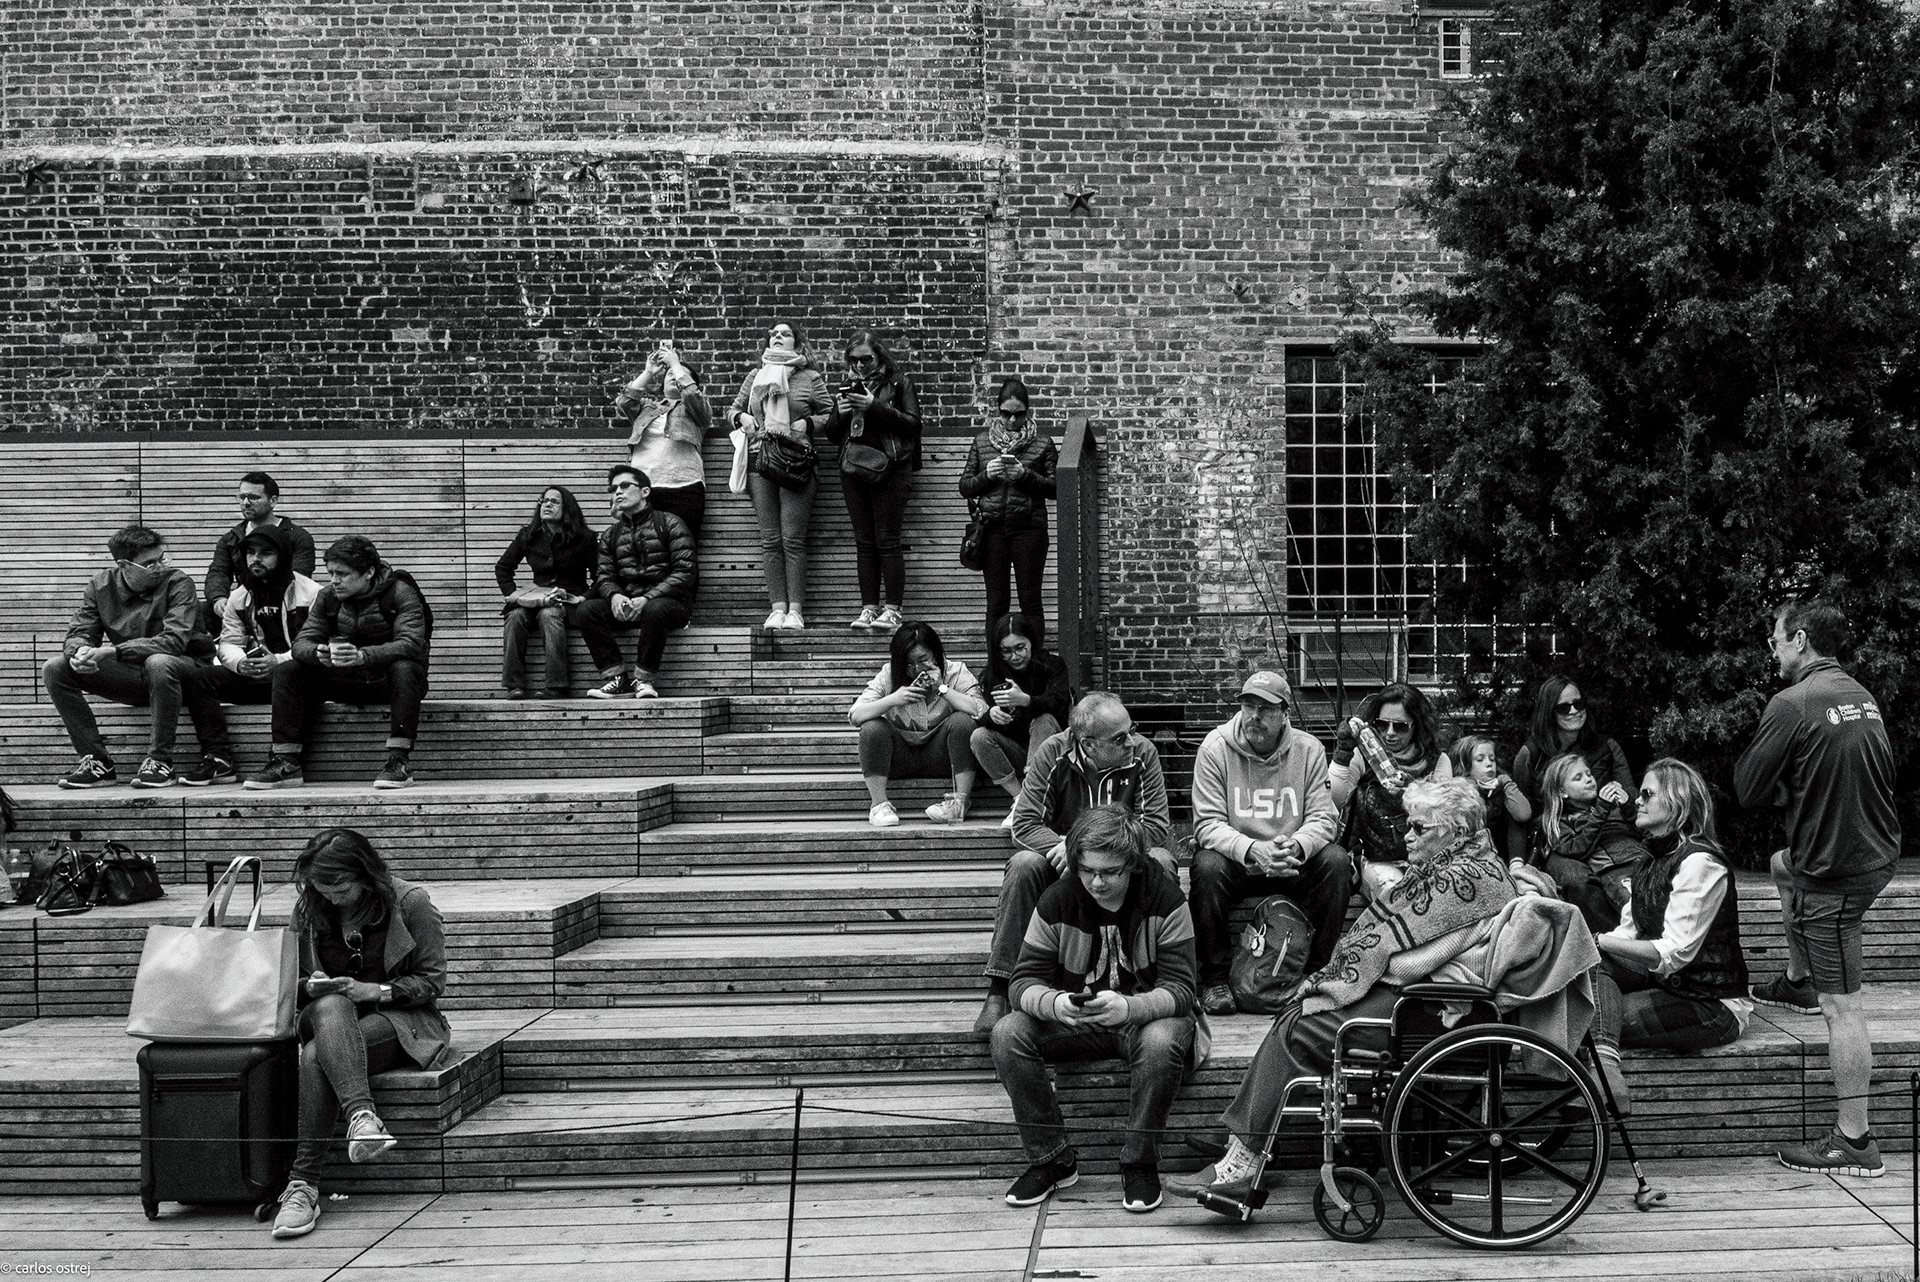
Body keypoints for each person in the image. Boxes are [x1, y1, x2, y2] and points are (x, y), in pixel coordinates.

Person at [1168, 776, 1521, 1202]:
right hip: (1421, 997)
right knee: (1299, 1012)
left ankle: (1242, 1162)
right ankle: (1247, 1140)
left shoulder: (1464, 882)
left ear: (1456, 831)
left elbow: (1406, 960)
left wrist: (1342, 976)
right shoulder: (1469, 865)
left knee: (1302, 1026)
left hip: (1430, 1009)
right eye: (1407, 825)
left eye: (1418, 828)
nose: (1406, 836)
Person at [1736, 598, 1900, 1177]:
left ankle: (1854, 1140)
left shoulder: (1793, 702)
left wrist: (1784, 784)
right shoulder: (1860, 695)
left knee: (1843, 1007)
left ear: (1800, 640)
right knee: (1781, 866)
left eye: (1776, 640)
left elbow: (1747, 787)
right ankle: (1798, 979)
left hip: (1833, 876)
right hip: (1875, 855)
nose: (1773, 651)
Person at [993, 805, 1200, 1215]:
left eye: (1110, 872)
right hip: (1077, 1020)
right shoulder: (1057, 900)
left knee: (1162, 1041)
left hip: (1143, 1019)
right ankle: (1052, 1160)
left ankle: (1139, 1162)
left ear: (1133, 864)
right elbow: (1021, 983)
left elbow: (1181, 990)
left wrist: (1129, 1008)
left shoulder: (1166, 899)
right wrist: (1055, 1004)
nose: (1097, 882)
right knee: (1007, 1032)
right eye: (1087, 870)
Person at [270, 827, 454, 1239]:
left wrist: (376, 991)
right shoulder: (310, 908)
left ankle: (302, 1187)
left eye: (339, 887)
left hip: (398, 1022)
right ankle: (362, 1118)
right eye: (321, 887)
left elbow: (432, 980)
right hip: (323, 1016)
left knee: (315, 1056)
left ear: (365, 873)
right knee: (331, 1006)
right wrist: (310, 987)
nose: (331, 896)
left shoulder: (410, 903)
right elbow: (285, 983)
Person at [975, 692, 1175, 1035]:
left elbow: (1156, 827)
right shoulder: (1053, 751)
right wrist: (1072, 853)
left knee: (1161, 860)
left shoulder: (1143, 752)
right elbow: (1024, 823)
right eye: (1120, 738)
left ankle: (1163, 980)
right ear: (1089, 744)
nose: (1132, 741)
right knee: (1024, 864)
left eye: (1132, 730)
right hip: (1063, 867)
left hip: (1121, 866)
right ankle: (1001, 987)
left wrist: (1090, 849)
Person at [1590, 759, 1751, 1114]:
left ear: (1677, 801)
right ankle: (1604, 1073)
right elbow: (1625, 934)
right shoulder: (1647, 862)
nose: (1637, 800)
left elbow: (1674, 951)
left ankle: (1601, 1076)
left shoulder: (1701, 863)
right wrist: (1591, 949)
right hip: (1670, 986)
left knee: (1594, 1017)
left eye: (1647, 794)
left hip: (1711, 1005)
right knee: (1592, 974)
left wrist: (1598, 940)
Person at [1188, 671, 1352, 1016]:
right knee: (1206, 866)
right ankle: (1215, 979)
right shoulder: (1215, 748)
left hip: (1291, 860)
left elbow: (1324, 818)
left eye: (1265, 709)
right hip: (1239, 862)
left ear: (1285, 713)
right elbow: (1207, 824)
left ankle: (1315, 973)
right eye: (1248, 706)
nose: (1254, 716)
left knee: (1336, 861)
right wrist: (1253, 850)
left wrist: (1296, 847)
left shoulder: (1308, 749)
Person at [42, 524, 227, 790]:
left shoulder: (179, 582)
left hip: (187, 673)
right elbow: (80, 631)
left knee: (159, 662)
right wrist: (79, 652)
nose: (160, 567)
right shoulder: (100, 585)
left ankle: (160, 760)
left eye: (162, 558)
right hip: (135, 673)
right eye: (150, 564)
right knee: (56, 667)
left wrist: (115, 651)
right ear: (124, 566)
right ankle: (97, 762)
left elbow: (173, 641)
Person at [244, 536, 430, 792]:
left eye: (342, 574)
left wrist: (363, 656)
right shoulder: (327, 597)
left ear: (369, 572)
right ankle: (286, 761)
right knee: (289, 670)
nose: (334, 580)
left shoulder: (400, 592)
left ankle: (399, 760)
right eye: (331, 573)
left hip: (390, 682)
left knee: (405, 668)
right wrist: (318, 653)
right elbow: (301, 643)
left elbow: (411, 643)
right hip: (346, 679)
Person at [181, 523, 322, 786]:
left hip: (300, 679)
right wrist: (240, 663)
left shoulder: (312, 593)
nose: (255, 559)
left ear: (283, 556)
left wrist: (278, 660)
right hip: (262, 676)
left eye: (266, 553)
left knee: (289, 671)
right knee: (197, 678)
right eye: (250, 553)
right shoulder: (240, 596)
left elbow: (316, 644)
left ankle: (287, 761)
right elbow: (229, 642)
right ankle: (218, 759)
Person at [728, 321, 831, 630]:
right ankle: (777, 609)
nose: (777, 336)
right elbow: (732, 410)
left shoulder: (809, 377)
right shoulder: (756, 376)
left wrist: (808, 424)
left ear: (797, 344)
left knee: (792, 540)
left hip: (796, 461)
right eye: (773, 333)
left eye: (785, 334)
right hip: (761, 461)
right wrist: (741, 417)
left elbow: (830, 414)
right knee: (770, 540)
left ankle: (795, 611)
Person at [825, 331, 922, 631]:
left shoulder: (899, 383)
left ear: (879, 356)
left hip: (891, 470)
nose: (860, 365)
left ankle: (893, 609)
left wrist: (874, 405)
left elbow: (913, 425)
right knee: (864, 542)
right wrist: (840, 414)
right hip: (854, 470)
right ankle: (869, 608)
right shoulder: (848, 386)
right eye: (853, 360)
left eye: (866, 359)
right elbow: (832, 434)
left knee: (888, 540)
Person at [574, 465, 697, 700]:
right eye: (613, 489)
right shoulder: (611, 534)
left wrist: (648, 597)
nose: (617, 492)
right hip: (630, 604)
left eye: (624, 486)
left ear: (645, 492)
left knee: (655, 608)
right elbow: (605, 575)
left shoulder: (669, 523)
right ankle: (616, 679)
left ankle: (643, 680)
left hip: (670, 604)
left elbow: (685, 571)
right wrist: (614, 596)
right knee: (587, 610)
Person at [850, 622, 988, 827]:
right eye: (909, 663)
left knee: (962, 721)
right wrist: (893, 699)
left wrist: (942, 688)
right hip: (899, 757)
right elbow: (856, 715)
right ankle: (879, 805)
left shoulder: (956, 671)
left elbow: (981, 710)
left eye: (923, 660)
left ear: (936, 655)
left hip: (943, 756)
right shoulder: (889, 674)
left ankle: (960, 802)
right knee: (872, 727)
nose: (916, 669)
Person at [1329, 682, 1453, 898]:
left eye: (1401, 726)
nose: (1389, 733)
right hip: (1374, 859)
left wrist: (1412, 790)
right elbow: (1334, 799)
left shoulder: (1437, 760)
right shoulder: (1364, 755)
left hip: (1427, 856)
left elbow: (1445, 813)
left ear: (1418, 726)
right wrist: (1343, 752)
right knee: (1394, 891)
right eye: (1381, 724)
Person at [959, 377, 1058, 642]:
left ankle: (1035, 662)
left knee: (1031, 602)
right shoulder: (983, 442)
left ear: (1028, 412)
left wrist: (1025, 475)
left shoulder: (1042, 443)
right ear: (998, 410)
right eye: (1006, 414)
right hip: (992, 532)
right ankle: (995, 664)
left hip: (1029, 530)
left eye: (1019, 414)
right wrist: (987, 476)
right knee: (996, 604)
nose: (1013, 420)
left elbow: (1057, 489)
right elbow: (965, 487)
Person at [969, 614, 1073, 826]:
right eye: (1006, 651)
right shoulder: (993, 674)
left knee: (1043, 720)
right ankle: (1020, 798)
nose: (1014, 656)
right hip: (1015, 748)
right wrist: (992, 715)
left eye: (1020, 648)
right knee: (979, 736)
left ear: (1031, 642)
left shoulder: (1053, 665)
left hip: (1052, 749)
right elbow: (983, 718)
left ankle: (1032, 797)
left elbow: (1060, 705)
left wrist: (1026, 700)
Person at [494, 486, 596, 698]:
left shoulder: (584, 538)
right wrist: (514, 595)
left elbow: (601, 576)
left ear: (567, 508)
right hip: (536, 598)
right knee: (514, 616)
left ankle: (557, 686)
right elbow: (503, 567)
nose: (547, 504)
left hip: (568, 600)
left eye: (554, 501)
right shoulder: (528, 535)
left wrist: (583, 598)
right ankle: (513, 685)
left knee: (549, 615)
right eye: (544, 500)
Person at [1527, 752, 1646, 933]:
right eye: (1578, 778)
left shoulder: (1612, 806)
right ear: (1562, 792)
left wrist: (1628, 806)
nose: (1588, 779)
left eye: (1589, 774)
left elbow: (1645, 833)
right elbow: (1576, 849)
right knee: (1639, 914)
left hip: (1643, 860)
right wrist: (1601, 811)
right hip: (1615, 871)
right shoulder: (1561, 822)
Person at [615, 341, 713, 540]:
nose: (673, 376)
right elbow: (624, 402)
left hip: (685, 487)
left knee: (682, 548)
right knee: (642, 549)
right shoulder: (647, 408)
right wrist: (649, 372)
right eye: (669, 374)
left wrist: (675, 364)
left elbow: (691, 395)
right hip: (643, 489)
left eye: (678, 374)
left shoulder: (696, 409)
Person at [202, 471, 316, 635]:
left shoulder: (297, 537)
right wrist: (219, 598)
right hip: (245, 603)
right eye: (242, 497)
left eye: (253, 497)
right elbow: (218, 572)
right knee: (202, 611)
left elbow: (300, 576)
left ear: (273, 501)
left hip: (284, 606)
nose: (246, 503)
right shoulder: (231, 539)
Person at [1512, 675, 1634, 809]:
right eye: (1563, 708)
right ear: (1549, 713)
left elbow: (1631, 797)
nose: (1574, 711)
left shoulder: (1608, 747)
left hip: (1604, 820)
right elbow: (1521, 811)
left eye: (1578, 704)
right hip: (1549, 821)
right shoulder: (1531, 754)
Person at [1453, 733, 1532, 864]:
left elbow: (1524, 814)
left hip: (1503, 854)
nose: (1489, 764)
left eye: (1492, 759)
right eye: (1480, 759)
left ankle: (1516, 865)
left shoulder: (1503, 788)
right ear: (1465, 765)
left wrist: (1505, 781)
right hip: (1471, 857)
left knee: (1514, 812)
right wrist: (1474, 786)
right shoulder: (1459, 791)